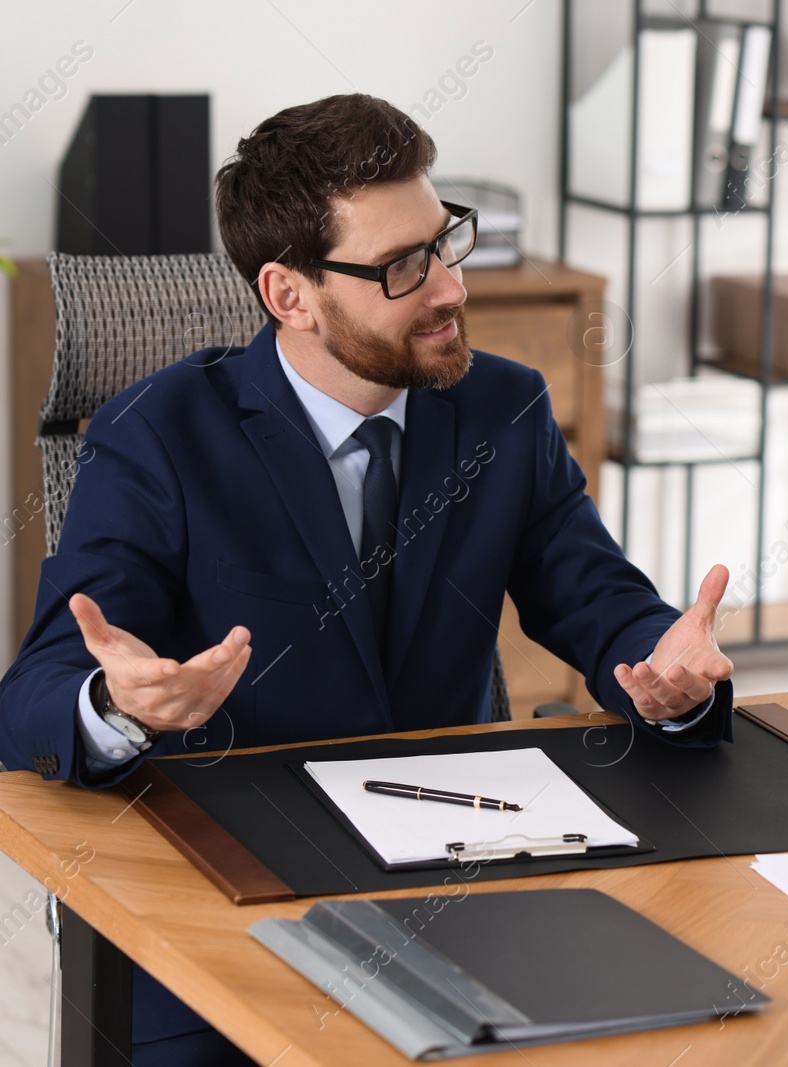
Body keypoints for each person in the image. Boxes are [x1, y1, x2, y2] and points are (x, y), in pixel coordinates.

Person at [0, 94, 735, 1065]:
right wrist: (120, 701)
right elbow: (34, 700)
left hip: (460, 882)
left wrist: (665, 672)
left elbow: (598, 599)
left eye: (444, 242)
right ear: (289, 293)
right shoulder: (156, 437)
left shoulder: (502, 411)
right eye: (401, 266)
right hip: (230, 904)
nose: (449, 288)